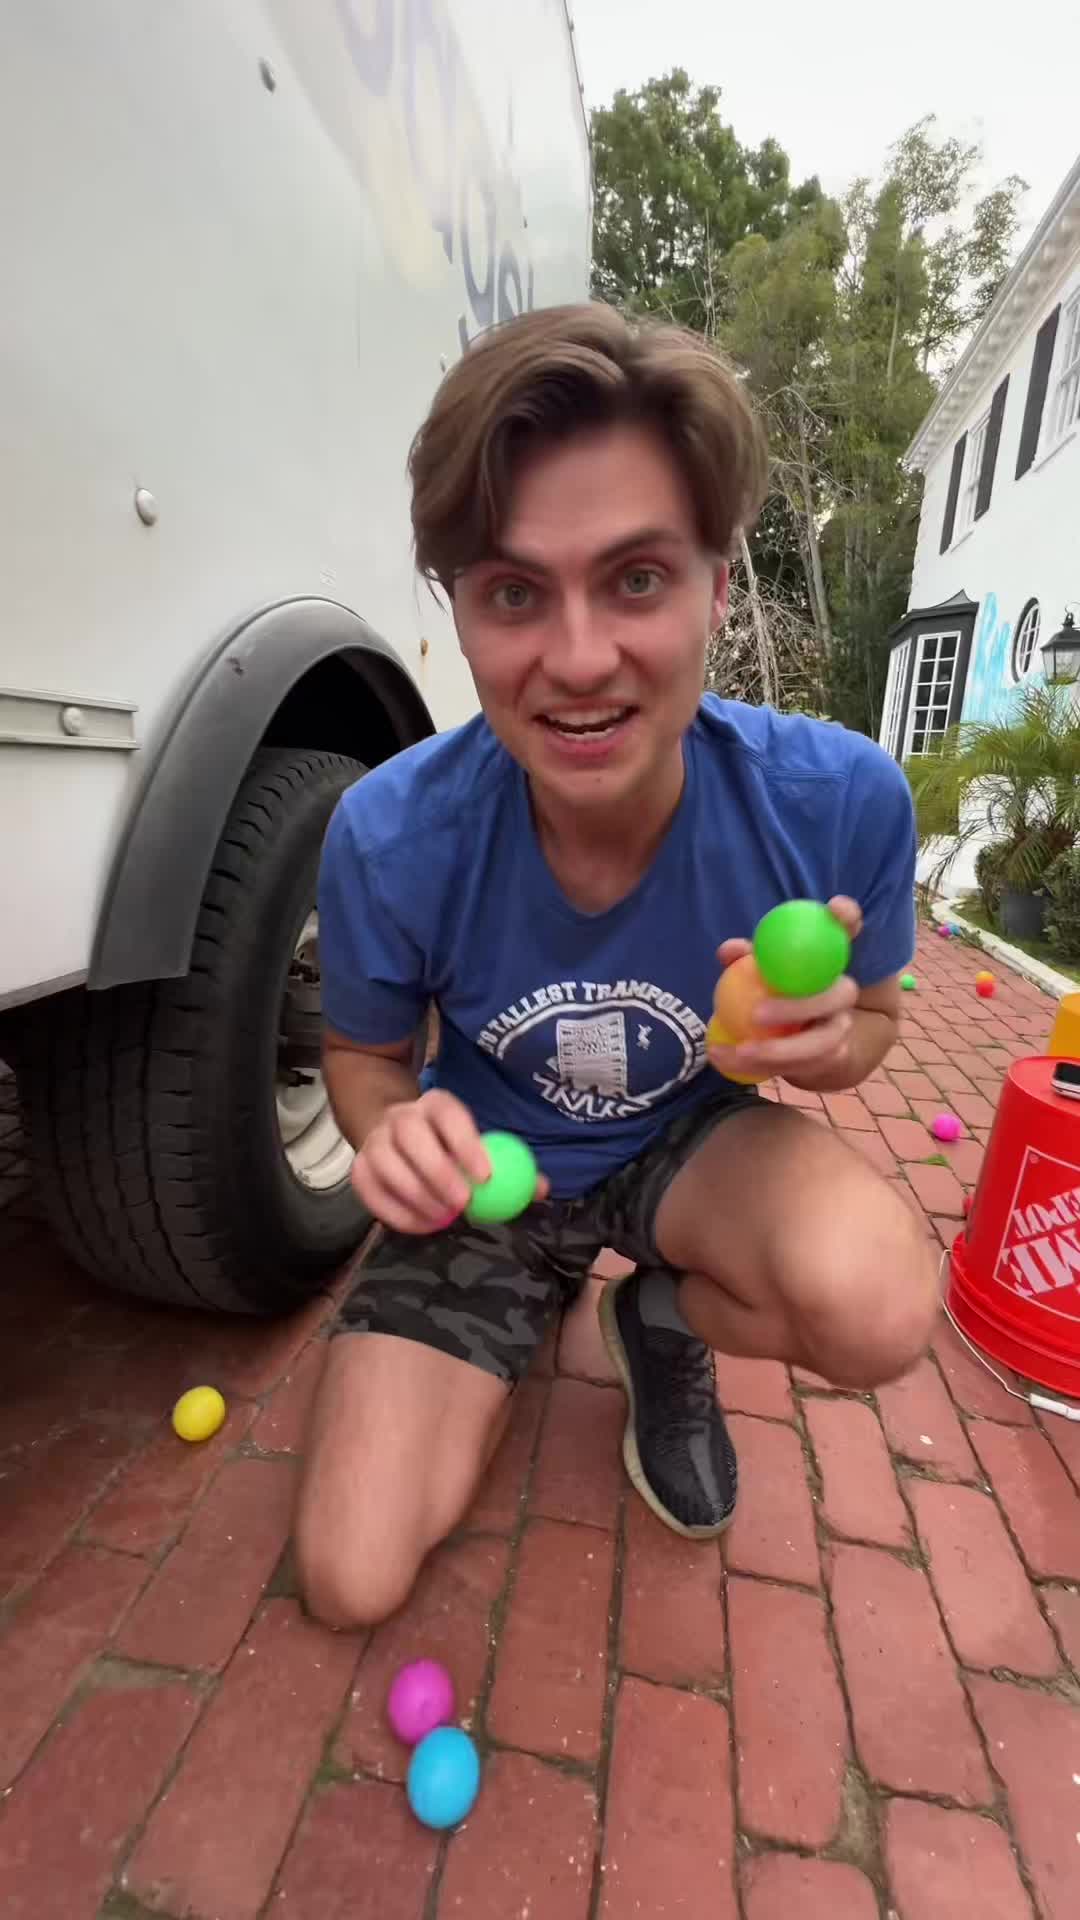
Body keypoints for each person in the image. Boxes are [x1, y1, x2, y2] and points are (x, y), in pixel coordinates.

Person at [295, 302, 937, 1630]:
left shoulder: (838, 804)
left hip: (688, 1151)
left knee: (878, 1306)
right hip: (489, 1176)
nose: (580, 661)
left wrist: (833, 1046)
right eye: (514, 591)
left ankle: (662, 1324)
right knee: (350, 1579)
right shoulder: (389, 832)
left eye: (637, 579)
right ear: (458, 610)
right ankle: (509, 1316)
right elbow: (362, 1057)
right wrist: (394, 1129)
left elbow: (875, 1018)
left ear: (717, 584)